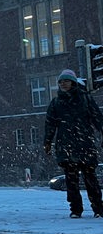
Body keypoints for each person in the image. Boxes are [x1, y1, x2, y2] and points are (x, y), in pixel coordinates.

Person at [44, 69, 103, 219]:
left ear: (73, 83)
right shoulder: (56, 103)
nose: (63, 84)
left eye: (66, 81)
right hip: (67, 146)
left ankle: (98, 208)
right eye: (61, 81)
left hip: (84, 145)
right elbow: (50, 124)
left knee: (91, 179)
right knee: (71, 181)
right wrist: (47, 142)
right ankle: (76, 209)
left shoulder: (85, 99)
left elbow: (98, 119)